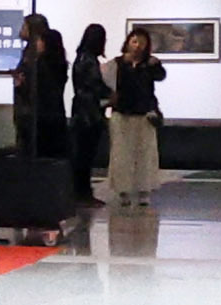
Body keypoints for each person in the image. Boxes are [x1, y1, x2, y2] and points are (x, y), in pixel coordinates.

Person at [107, 27, 164, 206]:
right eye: (134, 41)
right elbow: (106, 83)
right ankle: (123, 190)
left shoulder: (150, 64)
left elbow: (160, 76)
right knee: (121, 154)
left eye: (142, 43)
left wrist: (154, 64)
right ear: (128, 43)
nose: (138, 46)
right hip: (122, 113)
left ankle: (144, 190)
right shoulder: (117, 63)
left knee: (145, 155)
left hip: (144, 114)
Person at [13, 12, 68, 161]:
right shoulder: (30, 55)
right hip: (30, 115)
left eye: (25, 26)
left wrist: (22, 84)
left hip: (39, 118)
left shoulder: (45, 62)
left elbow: (44, 89)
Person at [69, 23, 111, 206]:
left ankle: (80, 192)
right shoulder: (89, 60)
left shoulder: (80, 58)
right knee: (85, 155)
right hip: (89, 114)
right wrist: (112, 94)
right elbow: (95, 86)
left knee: (81, 155)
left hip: (80, 111)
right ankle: (83, 193)